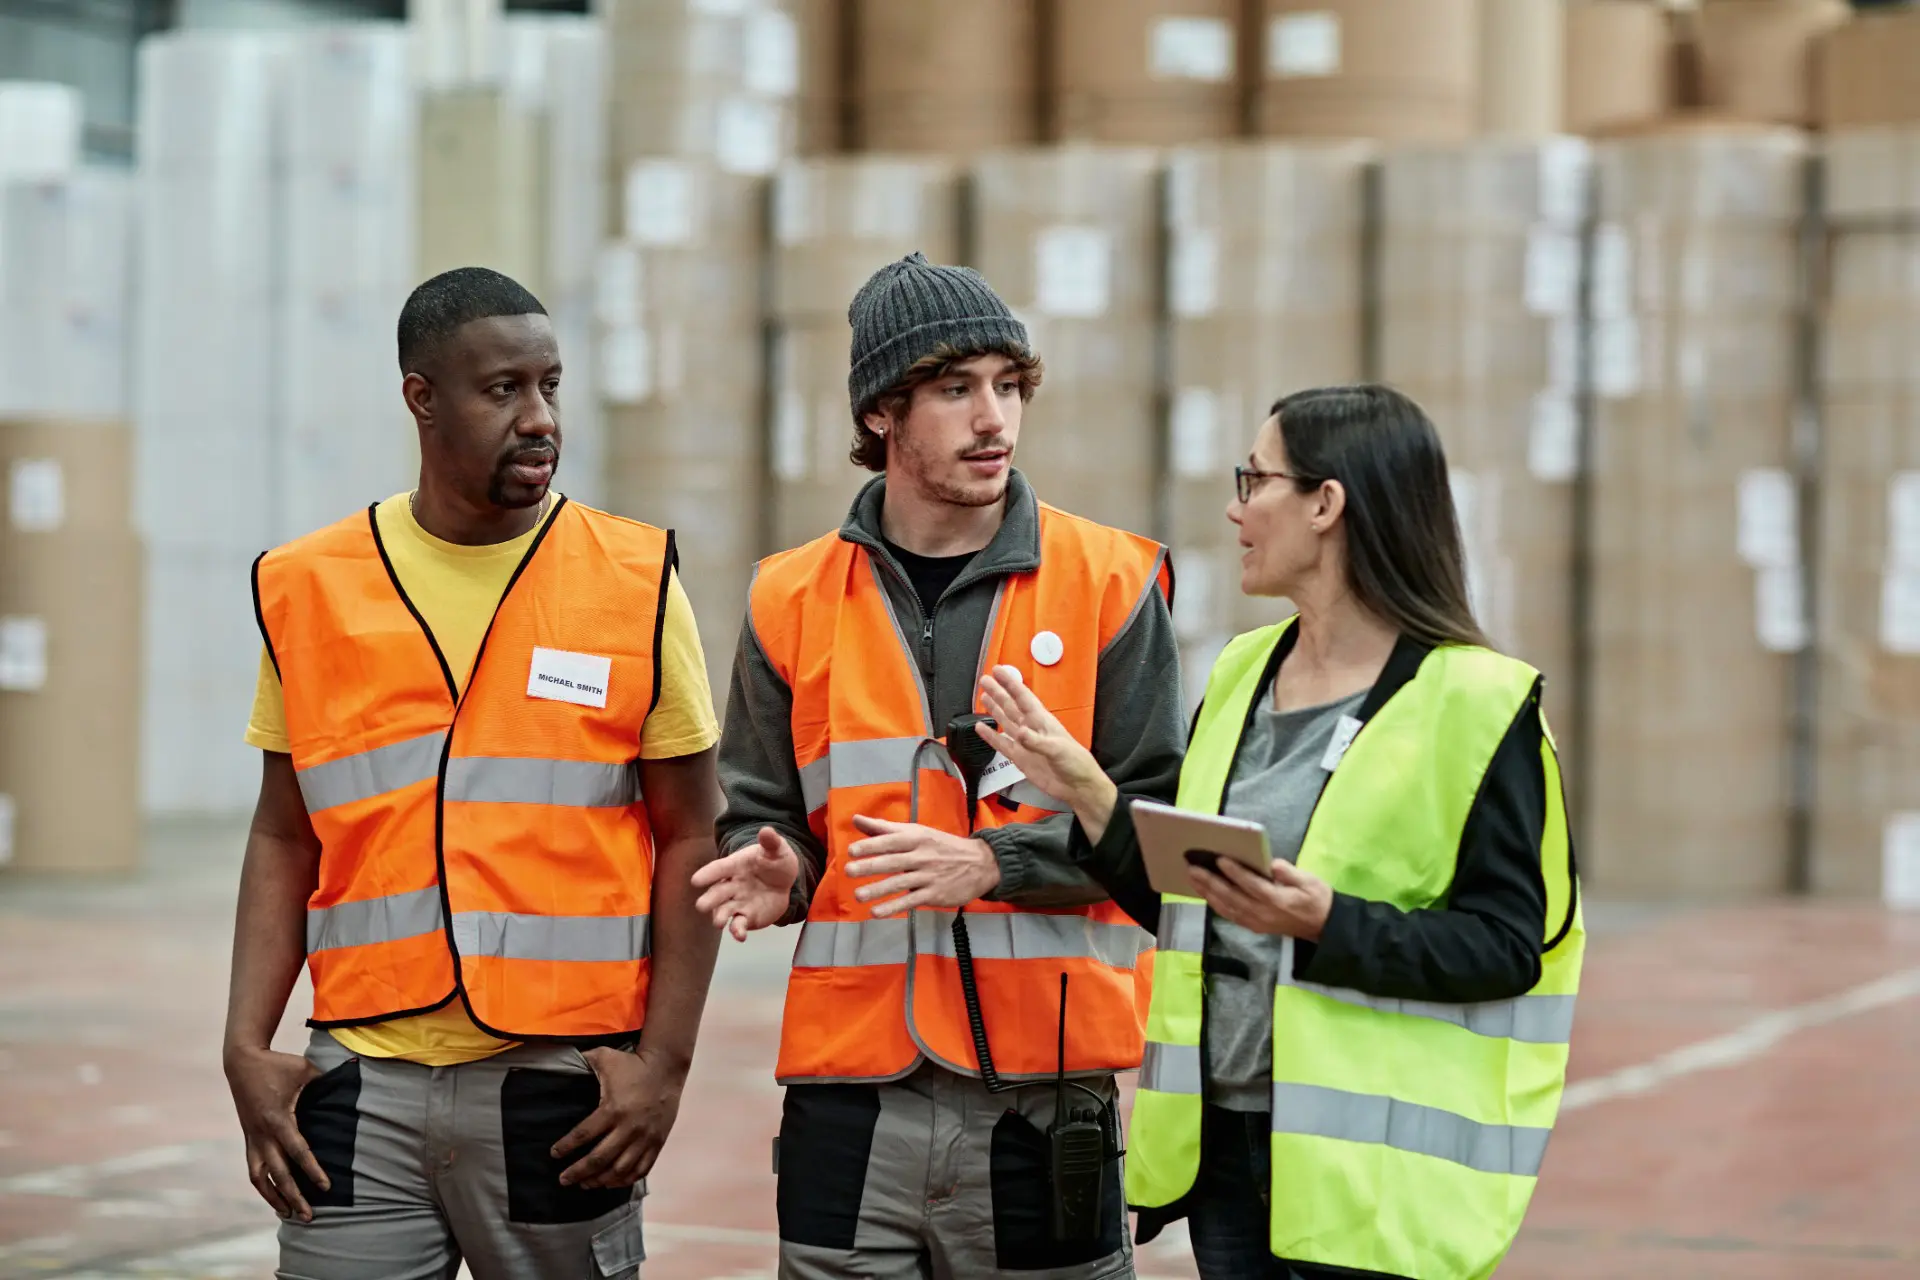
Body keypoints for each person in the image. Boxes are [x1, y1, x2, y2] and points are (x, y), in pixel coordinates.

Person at [975, 384, 1584, 1280]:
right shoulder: (1243, 671)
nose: (1236, 507)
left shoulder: (1481, 704)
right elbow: (1186, 905)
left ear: (1326, 504)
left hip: (1370, 1183)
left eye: (1254, 479)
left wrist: (1328, 925)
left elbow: (1504, 947)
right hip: (1227, 1157)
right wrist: (1090, 789)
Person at [691, 252, 1185, 1280]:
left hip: (1045, 1095)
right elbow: (761, 812)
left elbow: (1163, 832)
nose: (992, 418)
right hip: (849, 1094)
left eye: (1009, 386)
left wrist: (995, 863)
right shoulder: (788, 599)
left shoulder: (1113, 582)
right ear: (882, 413)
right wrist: (776, 872)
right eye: (957, 389)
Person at [223, 267, 723, 1279]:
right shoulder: (309, 585)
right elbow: (285, 831)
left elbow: (692, 834)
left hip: (559, 1089)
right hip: (358, 1084)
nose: (539, 417)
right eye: (503, 390)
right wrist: (244, 1040)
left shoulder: (632, 582)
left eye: (550, 385)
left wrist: (663, 1064)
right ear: (422, 397)